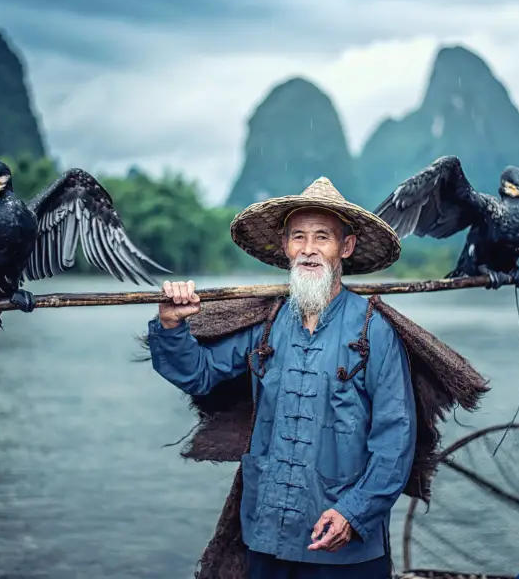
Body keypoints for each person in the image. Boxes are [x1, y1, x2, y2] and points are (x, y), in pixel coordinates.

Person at [146, 177, 416, 579]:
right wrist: (170, 325)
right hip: (267, 533)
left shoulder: (372, 331)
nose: (308, 249)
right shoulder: (267, 326)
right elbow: (199, 374)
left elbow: (396, 437)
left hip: (345, 545)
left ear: (346, 247)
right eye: (298, 237)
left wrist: (353, 511)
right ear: (285, 247)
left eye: (322, 237)